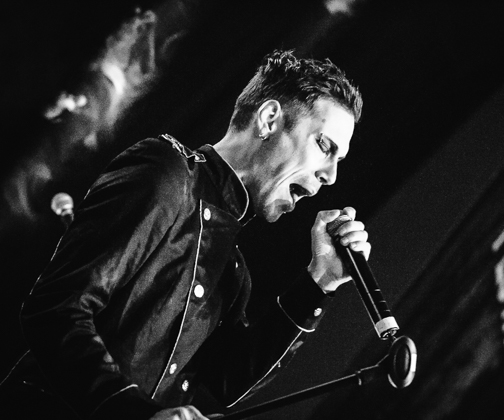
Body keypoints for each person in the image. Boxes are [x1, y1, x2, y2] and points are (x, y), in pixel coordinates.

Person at [0, 49, 369, 420]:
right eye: (324, 146)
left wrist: (319, 282)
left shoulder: (232, 270)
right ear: (269, 119)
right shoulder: (168, 176)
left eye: (339, 161)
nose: (330, 176)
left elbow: (227, 382)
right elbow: (56, 308)